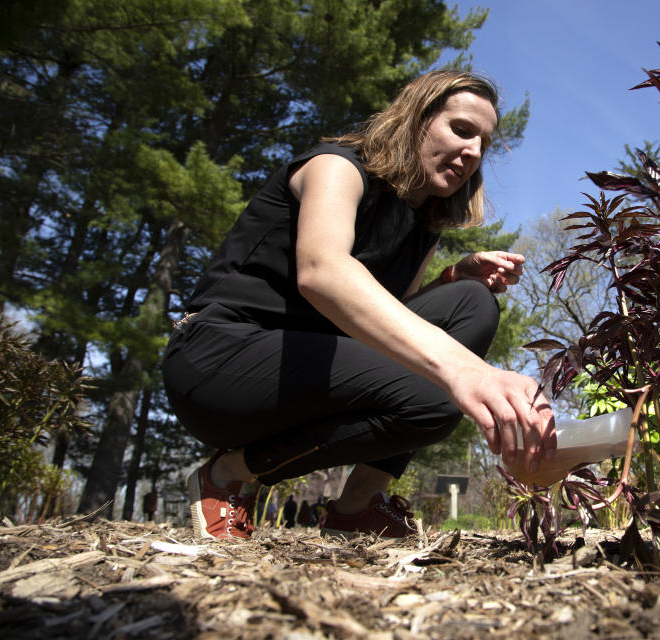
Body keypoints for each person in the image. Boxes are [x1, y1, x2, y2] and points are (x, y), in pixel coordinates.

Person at [163, 70, 555, 541]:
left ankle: (358, 504)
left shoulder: (423, 227)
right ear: (416, 120)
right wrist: (470, 373)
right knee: (437, 394)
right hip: (218, 359)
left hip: (309, 367)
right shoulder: (337, 167)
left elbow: (390, 315)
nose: (473, 152)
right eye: (462, 130)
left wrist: (455, 277)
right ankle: (226, 475)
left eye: (484, 144)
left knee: (473, 303)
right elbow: (322, 271)